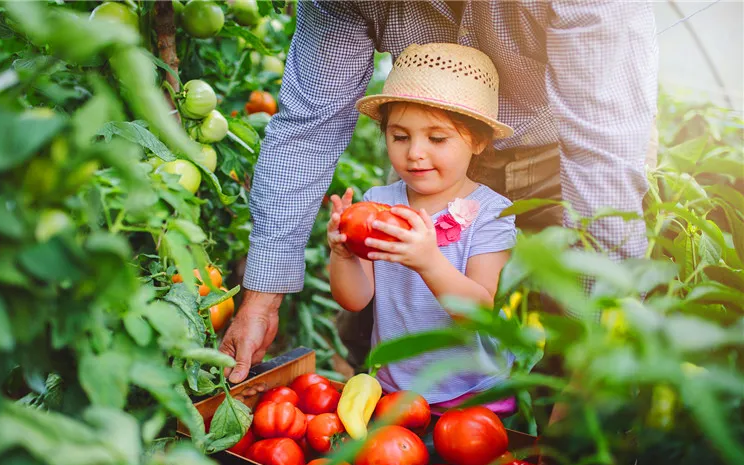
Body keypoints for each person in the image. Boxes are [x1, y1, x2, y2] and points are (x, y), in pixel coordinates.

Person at [220, 1, 658, 383]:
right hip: (443, 165)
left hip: (558, 160)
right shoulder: (395, 189)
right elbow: (308, 130)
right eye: (398, 136)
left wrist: (592, 366)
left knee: (567, 334)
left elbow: (602, 154)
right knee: (364, 332)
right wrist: (263, 298)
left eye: (429, 138)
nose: (413, 153)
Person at [326, 43, 518, 411]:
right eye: (400, 136)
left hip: (474, 395)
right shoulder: (378, 202)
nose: (414, 152)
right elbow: (354, 299)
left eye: (437, 138)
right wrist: (343, 254)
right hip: (395, 389)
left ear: (477, 141)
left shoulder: (491, 212)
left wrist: (428, 260)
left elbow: (478, 310)